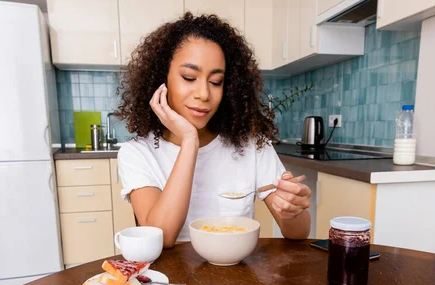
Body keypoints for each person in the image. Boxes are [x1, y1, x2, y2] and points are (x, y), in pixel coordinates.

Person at [116, 12, 312, 247]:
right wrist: (190, 140)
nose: (204, 94)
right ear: (162, 79)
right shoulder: (137, 153)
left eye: (216, 81)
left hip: (238, 278)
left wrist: (293, 209)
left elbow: (298, 233)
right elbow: (162, 237)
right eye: (189, 77)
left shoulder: (250, 145)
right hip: (171, 281)